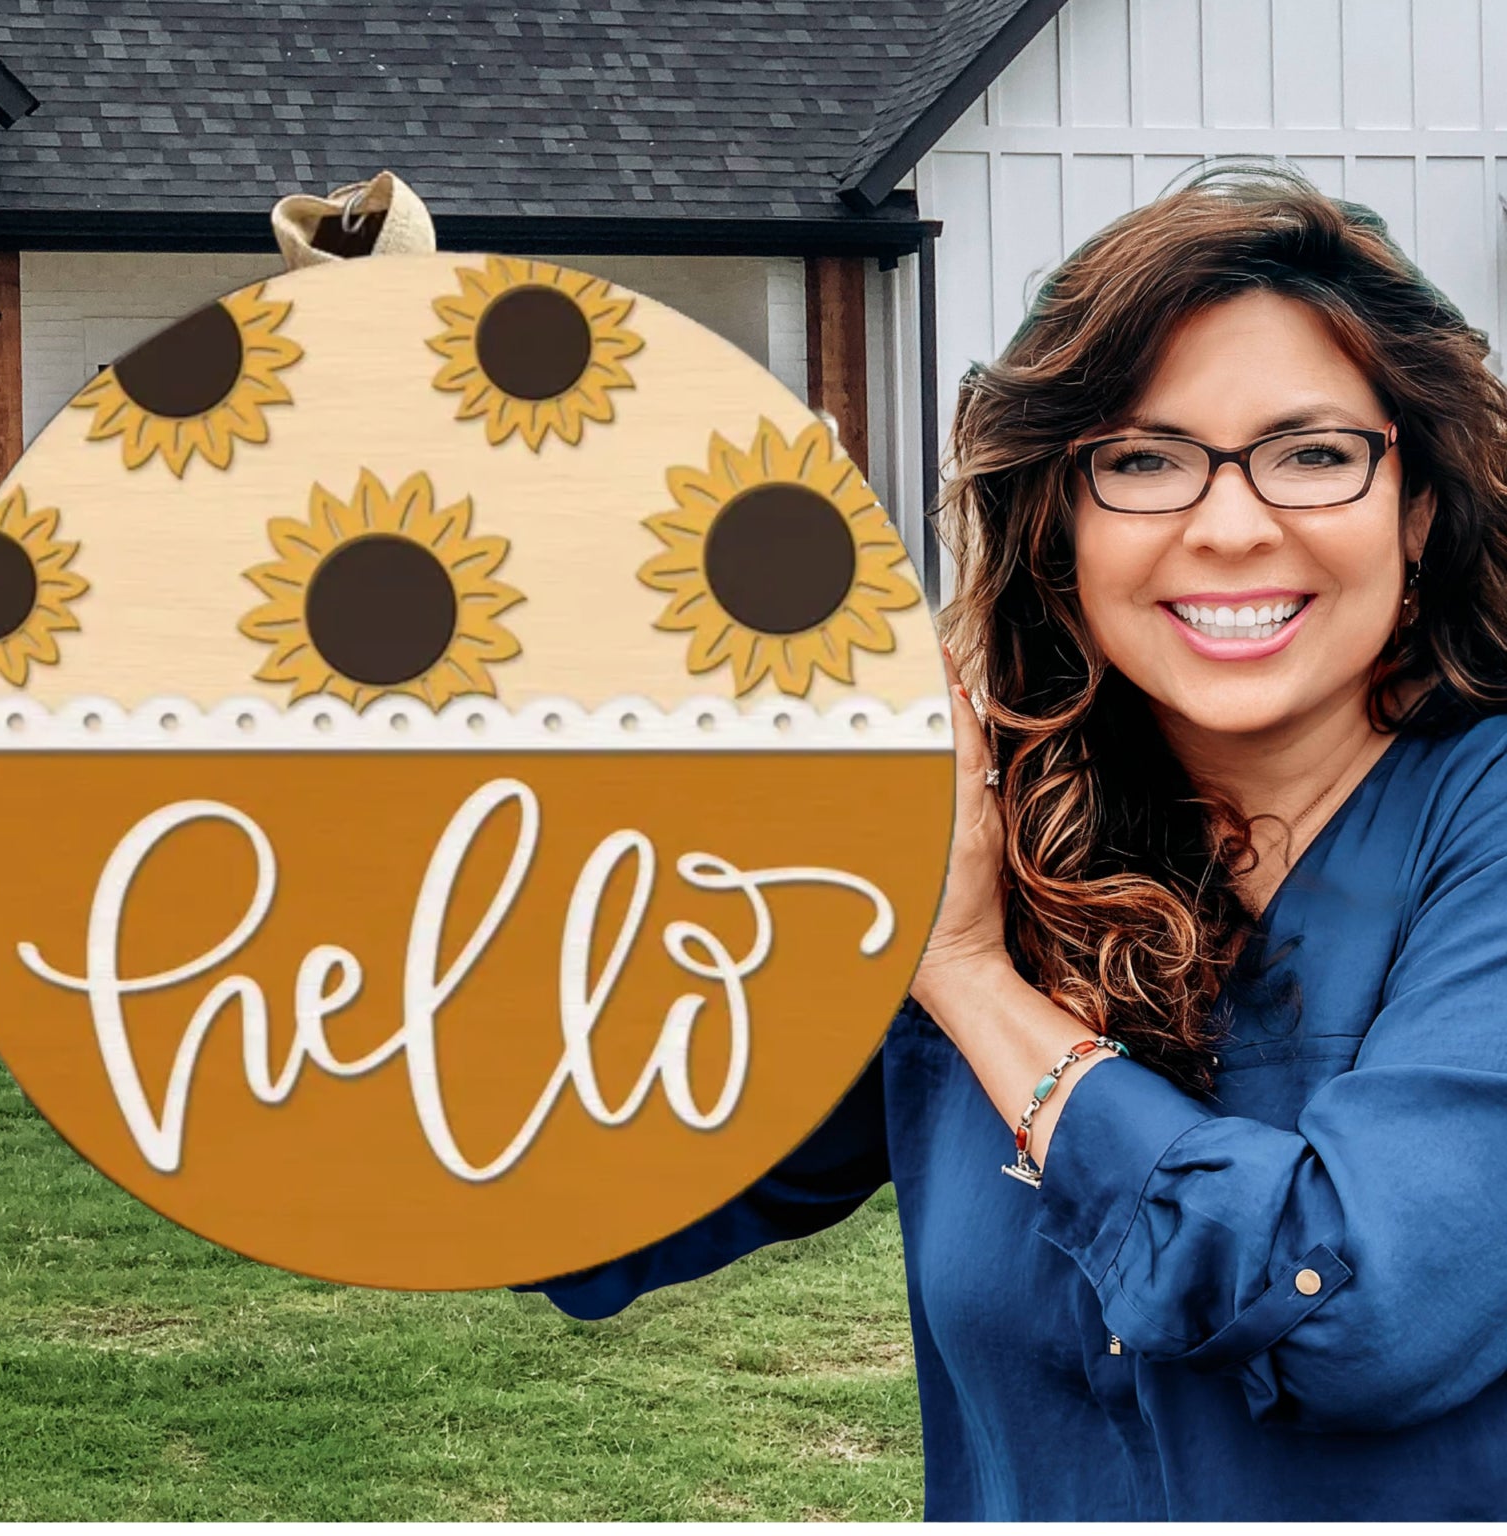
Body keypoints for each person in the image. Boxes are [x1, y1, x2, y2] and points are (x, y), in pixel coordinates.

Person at [520, 163, 1507, 1520]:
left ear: (1420, 506)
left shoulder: (1479, 827)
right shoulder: (992, 826)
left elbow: (1359, 1311)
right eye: (1143, 461)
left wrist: (972, 978)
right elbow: (587, 1184)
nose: (1229, 525)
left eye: (1314, 453)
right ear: (1061, 524)